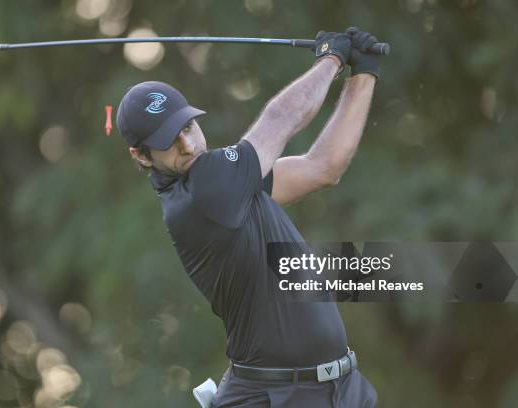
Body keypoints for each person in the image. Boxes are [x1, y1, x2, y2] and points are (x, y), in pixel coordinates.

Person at [117, 27, 381, 408]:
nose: (188, 145)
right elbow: (281, 118)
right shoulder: (203, 192)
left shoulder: (229, 182)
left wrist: (364, 73)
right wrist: (332, 60)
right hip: (278, 397)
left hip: (339, 388)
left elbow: (323, 167)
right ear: (141, 156)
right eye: (167, 142)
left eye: (188, 127)